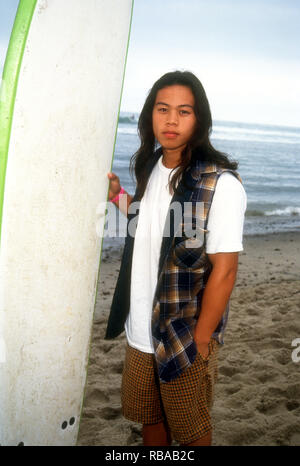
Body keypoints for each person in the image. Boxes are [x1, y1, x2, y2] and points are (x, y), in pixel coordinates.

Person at [105, 71, 247, 446]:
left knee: (192, 430)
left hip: (183, 332)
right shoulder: (151, 168)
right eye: (162, 109)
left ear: (200, 119)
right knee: (151, 421)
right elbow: (148, 222)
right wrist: (118, 196)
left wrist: (201, 339)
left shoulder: (221, 185)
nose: (171, 120)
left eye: (184, 111)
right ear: (149, 115)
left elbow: (226, 271)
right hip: (140, 328)